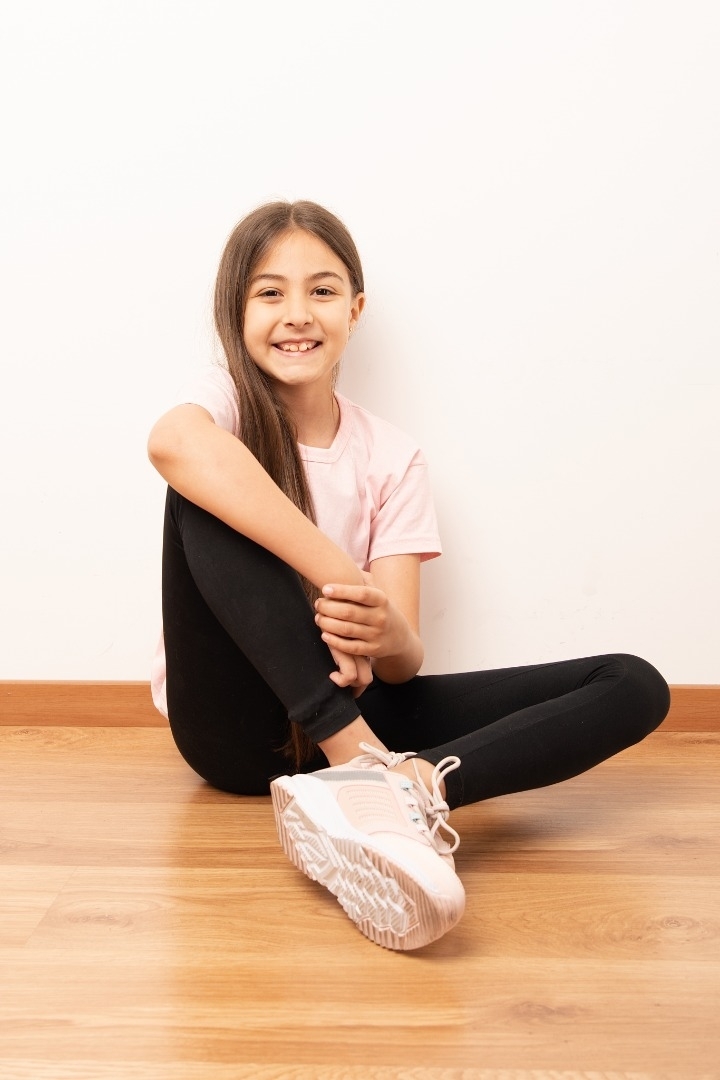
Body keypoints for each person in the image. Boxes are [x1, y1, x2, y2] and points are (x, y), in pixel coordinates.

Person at [147, 199, 670, 951]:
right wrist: (339, 576)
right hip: (237, 730)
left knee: (633, 682)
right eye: (270, 293)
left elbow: (402, 662)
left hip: (360, 708)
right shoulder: (223, 403)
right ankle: (361, 766)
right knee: (201, 485)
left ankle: (411, 790)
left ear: (355, 310)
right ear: (238, 311)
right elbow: (171, 443)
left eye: (322, 291)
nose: (298, 314)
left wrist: (382, 627)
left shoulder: (392, 457)